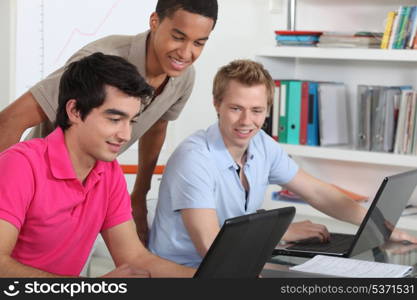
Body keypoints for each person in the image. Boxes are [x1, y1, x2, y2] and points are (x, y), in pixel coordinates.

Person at [148, 59, 417, 267]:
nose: (246, 121)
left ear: (267, 110)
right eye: (235, 108)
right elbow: (209, 245)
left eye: (256, 110)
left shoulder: (262, 145)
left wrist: (380, 227)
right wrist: (283, 233)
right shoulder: (195, 159)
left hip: (238, 265)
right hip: (184, 273)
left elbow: (319, 193)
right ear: (217, 104)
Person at [0, 0, 218, 245]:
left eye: (199, 43)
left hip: (90, 195)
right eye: (178, 37)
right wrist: (10, 198)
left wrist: (139, 195)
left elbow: (157, 126)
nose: (186, 53)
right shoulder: (100, 61)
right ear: (154, 22)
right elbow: (9, 121)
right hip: (38, 193)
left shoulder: (184, 76)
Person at [0, 53, 194, 277]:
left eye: (131, 121)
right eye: (114, 119)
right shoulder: (20, 165)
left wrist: (212, 280)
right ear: (74, 111)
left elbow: (135, 259)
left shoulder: (108, 172)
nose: (126, 135)